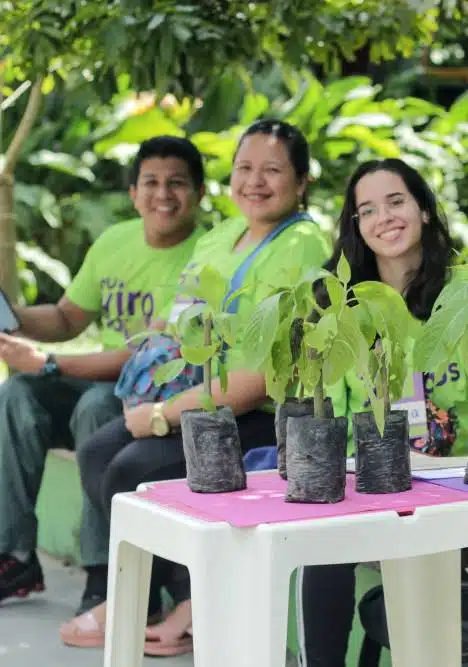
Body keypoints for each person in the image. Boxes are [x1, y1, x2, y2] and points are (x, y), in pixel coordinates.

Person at [62, 119, 331, 655]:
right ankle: (159, 597)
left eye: (272, 171)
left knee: (132, 470)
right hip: (200, 395)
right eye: (244, 168)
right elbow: (177, 320)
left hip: (257, 410)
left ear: (301, 182)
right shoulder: (222, 233)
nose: (255, 182)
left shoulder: (301, 244)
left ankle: (189, 604)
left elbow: (261, 377)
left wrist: (164, 414)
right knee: (96, 454)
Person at [297, 159, 468, 667]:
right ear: (355, 228)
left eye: (396, 201)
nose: (383, 217)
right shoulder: (338, 309)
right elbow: (329, 428)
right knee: (322, 557)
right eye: (367, 210)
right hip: (369, 492)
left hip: (458, 490)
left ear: (424, 210)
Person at [0, 136, 206, 615]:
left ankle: (105, 574)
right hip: (103, 379)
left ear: (198, 192)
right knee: (17, 393)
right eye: (150, 183)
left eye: (177, 183)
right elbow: (70, 318)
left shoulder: (206, 253)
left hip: (157, 392)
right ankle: (14, 556)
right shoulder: (115, 240)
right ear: (133, 193)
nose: (163, 195)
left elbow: (149, 355)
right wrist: (12, 317)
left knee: (96, 405)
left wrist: (50, 363)